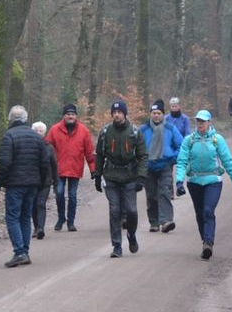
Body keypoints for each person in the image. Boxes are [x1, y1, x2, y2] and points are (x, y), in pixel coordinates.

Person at [175, 110, 232, 260]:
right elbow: (181, 162)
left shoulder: (217, 140)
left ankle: (208, 242)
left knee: (207, 211)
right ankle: (205, 242)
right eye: (198, 121)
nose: (200, 123)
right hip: (194, 182)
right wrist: (179, 181)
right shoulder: (189, 140)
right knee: (200, 214)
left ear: (209, 122)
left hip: (213, 181)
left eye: (203, 121)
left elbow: (227, 161)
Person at [0, 105, 45, 267]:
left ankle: (19, 252)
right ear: (25, 119)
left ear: (11, 119)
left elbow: (5, 163)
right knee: (25, 216)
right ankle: (25, 251)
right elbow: (44, 161)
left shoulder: (9, 136)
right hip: (32, 184)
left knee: (12, 217)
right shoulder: (35, 136)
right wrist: (40, 181)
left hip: (15, 184)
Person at [94, 100, 147, 258]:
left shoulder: (134, 132)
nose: (116, 115)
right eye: (114, 112)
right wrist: (97, 175)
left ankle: (131, 234)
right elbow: (99, 155)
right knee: (115, 210)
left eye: (119, 112)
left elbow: (143, 156)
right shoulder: (105, 132)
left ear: (125, 114)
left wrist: (141, 177)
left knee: (131, 211)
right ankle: (116, 245)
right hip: (111, 176)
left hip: (130, 177)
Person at [45, 103, 95, 232]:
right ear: (64, 116)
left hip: (75, 167)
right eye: (68, 114)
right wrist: (46, 167)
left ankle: (71, 222)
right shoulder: (54, 129)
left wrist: (93, 169)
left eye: (73, 114)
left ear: (76, 116)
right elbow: (46, 148)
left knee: (72, 195)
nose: (70, 116)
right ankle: (61, 218)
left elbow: (89, 152)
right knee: (59, 193)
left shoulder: (83, 130)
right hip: (59, 169)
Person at [141, 101, 182, 234]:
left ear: (163, 114)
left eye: (159, 113)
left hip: (165, 164)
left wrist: (172, 158)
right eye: (154, 113)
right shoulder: (144, 129)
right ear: (150, 114)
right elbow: (137, 147)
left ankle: (166, 221)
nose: (156, 116)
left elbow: (181, 146)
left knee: (165, 192)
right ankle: (154, 222)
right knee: (151, 195)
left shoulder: (170, 128)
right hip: (149, 166)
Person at [29, 121, 57, 239]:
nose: (38, 133)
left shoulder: (49, 147)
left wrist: (56, 180)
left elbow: (54, 164)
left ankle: (40, 228)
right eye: (36, 131)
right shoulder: (29, 147)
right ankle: (36, 227)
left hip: (46, 181)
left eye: (40, 131)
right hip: (32, 181)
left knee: (41, 204)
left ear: (44, 133)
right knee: (33, 205)